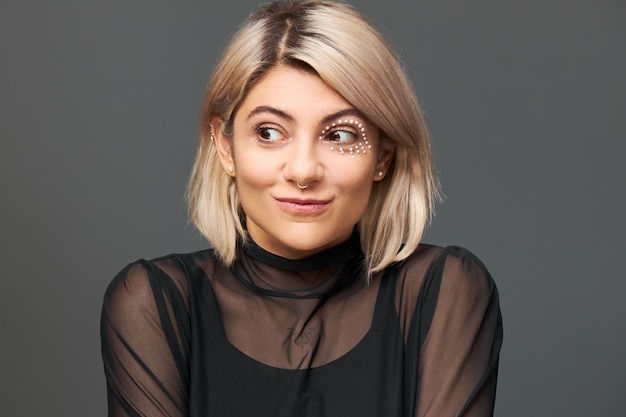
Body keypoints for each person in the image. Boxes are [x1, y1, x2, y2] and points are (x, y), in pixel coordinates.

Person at [100, 1, 503, 416]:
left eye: (342, 135)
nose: (304, 170)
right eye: (270, 132)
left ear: (383, 156)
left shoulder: (443, 292)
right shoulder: (155, 303)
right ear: (225, 146)